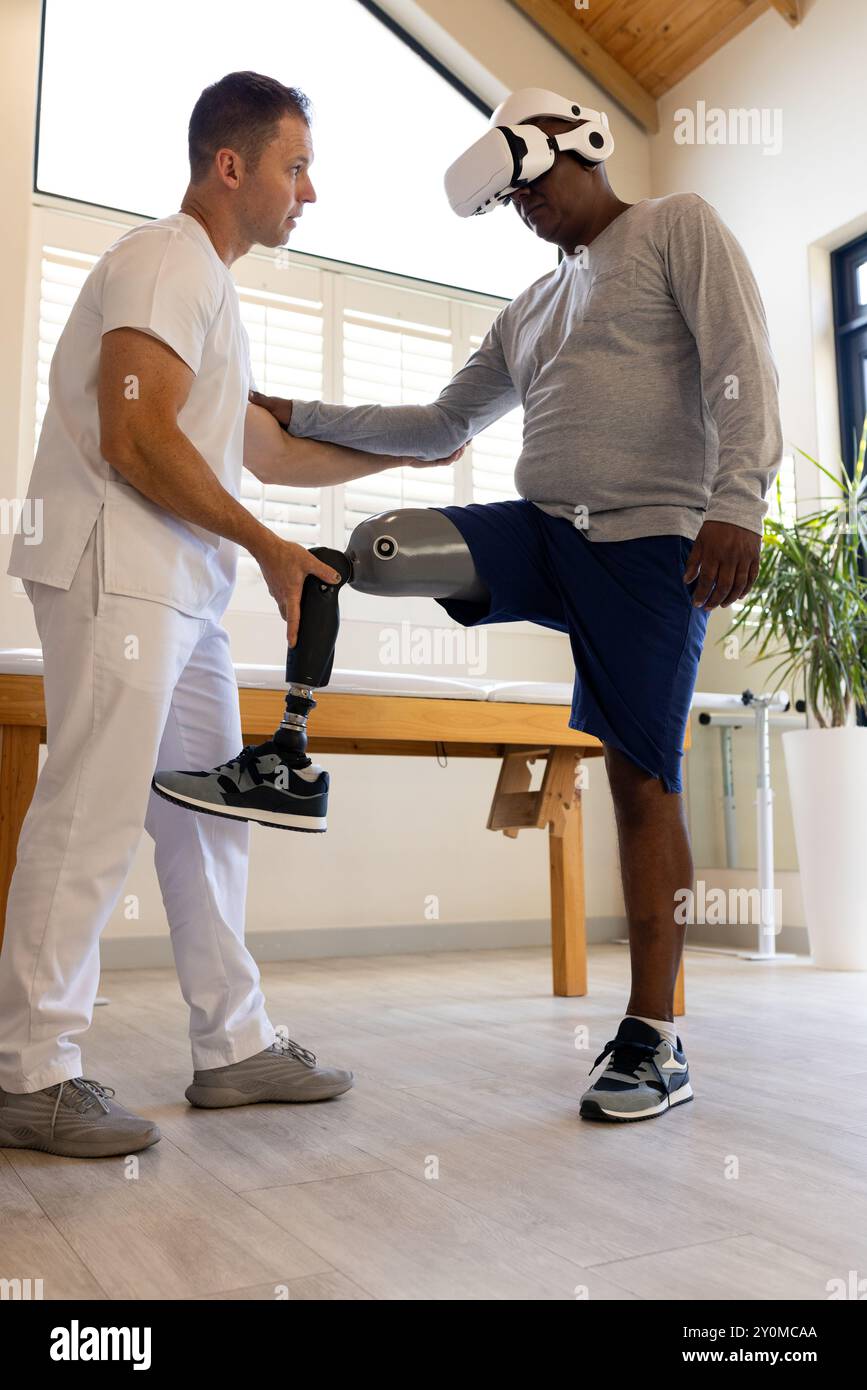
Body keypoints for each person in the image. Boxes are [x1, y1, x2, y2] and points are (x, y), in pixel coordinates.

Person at [155, 89, 784, 1123]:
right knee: (390, 547)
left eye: (531, 189)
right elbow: (442, 419)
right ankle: (290, 745)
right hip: (547, 533)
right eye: (513, 204)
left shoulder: (679, 227)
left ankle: (654, 1034)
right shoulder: (530, 310)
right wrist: (296, 412)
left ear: (580, 147)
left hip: (651, 541)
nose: (526, 213)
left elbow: (739, 369)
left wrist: (740, 503)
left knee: (639, 777)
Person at [0, 70, 459, 1159]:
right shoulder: (167, 258)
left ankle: (233, 1041)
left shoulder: (208, 289)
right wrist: (265, 548)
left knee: (209, 820)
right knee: (95, 807)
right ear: (231, 165)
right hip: (120, 563)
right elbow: (136, 435)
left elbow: (263, 447)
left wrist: (413, 444)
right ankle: (32, 1065)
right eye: (296, 168)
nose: (310, 192)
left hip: (179, 583)